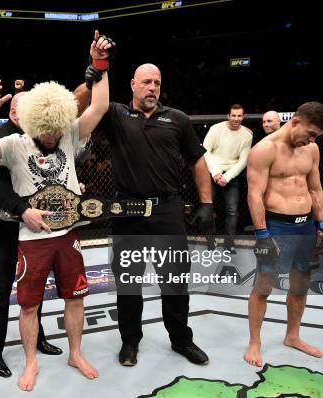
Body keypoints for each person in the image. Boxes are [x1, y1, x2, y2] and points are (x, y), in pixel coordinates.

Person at [0, 31, 112, 392]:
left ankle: (75, 352)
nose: (52, 138)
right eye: (45, 133)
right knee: (29, 305)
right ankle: (31, 361)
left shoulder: (67, 134)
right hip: (29, 239)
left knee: (75, 297)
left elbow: (98, 107)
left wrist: (100, 64)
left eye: (55, 132)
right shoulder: (14, 144)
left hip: (67, 235)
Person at [75, 63, 213, 367]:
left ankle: (181, 340)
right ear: (133, 84)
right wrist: (89, 83)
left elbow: (198, 161)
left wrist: (206, 203)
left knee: (175, 280)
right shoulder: (116, 114)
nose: (153, 88)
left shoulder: (177, 119)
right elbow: (76, 110)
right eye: (147, 82)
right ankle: (130, 342)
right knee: (128, 282)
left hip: (167, 210)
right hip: (127, 211)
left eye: (157, 83)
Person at [244, 101, 323, 367]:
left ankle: (293, 336)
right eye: (310, 134)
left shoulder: (312, 150)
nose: (311, 141)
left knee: (300, 284)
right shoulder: (264, 150)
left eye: (315, 137)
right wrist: (262, 234)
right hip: (276, 226)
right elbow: (254, 195)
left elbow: (315, 189)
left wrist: (322, 225)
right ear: (295, 122)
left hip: (305, 226)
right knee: (264, 286)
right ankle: (255, 342)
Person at [0, 91, 63, 379]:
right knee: (2, 288)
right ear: (16, 112)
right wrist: (22, 209)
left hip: (34, 227)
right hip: (5, 227)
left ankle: (37, 338)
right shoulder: (0, 136)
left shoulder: (40, 138)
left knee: (36, 286)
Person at [203, 104, 253, 253]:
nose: (236, 119)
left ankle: (229, 244)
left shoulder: (247, 135)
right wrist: (216, 172)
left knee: (232, 210)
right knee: (208, 208)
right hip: (212, 172)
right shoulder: (215, 129)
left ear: (242, 117)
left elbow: (243, 160)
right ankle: (210, 242)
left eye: (239, 116)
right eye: (234, 115)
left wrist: (227, 176)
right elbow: (205, 151)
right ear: (228, 116)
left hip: (231, 174)